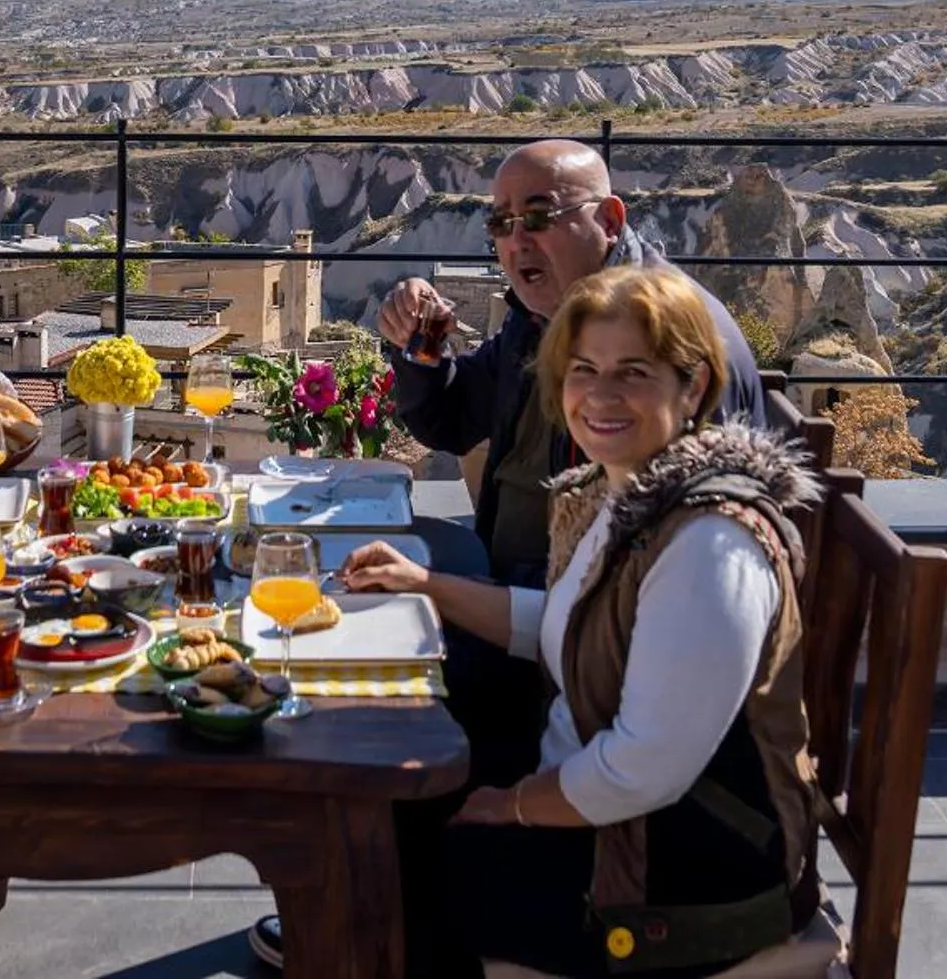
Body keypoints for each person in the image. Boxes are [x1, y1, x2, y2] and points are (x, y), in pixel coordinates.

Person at [345, 266, 820, 978]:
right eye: (583, 369)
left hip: (679, 875)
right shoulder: (633, 490)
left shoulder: (710, 545)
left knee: (398, 868)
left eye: (634, 372)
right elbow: (564, 623)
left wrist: (510, 807)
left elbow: (641, 769)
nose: (599, 394)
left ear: (694, 388)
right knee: (393, 798)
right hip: (623, 816)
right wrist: (426, 584)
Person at [379, 139, 767, 585]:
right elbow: (451, 420)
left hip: (569, 611)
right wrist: (421, 344)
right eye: (501, 222)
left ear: (609, 220)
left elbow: (678, 577)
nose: (517, 240)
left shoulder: (667, 338)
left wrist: (455, 598)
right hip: (516, 582)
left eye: (540, 217)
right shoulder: (546, 313)